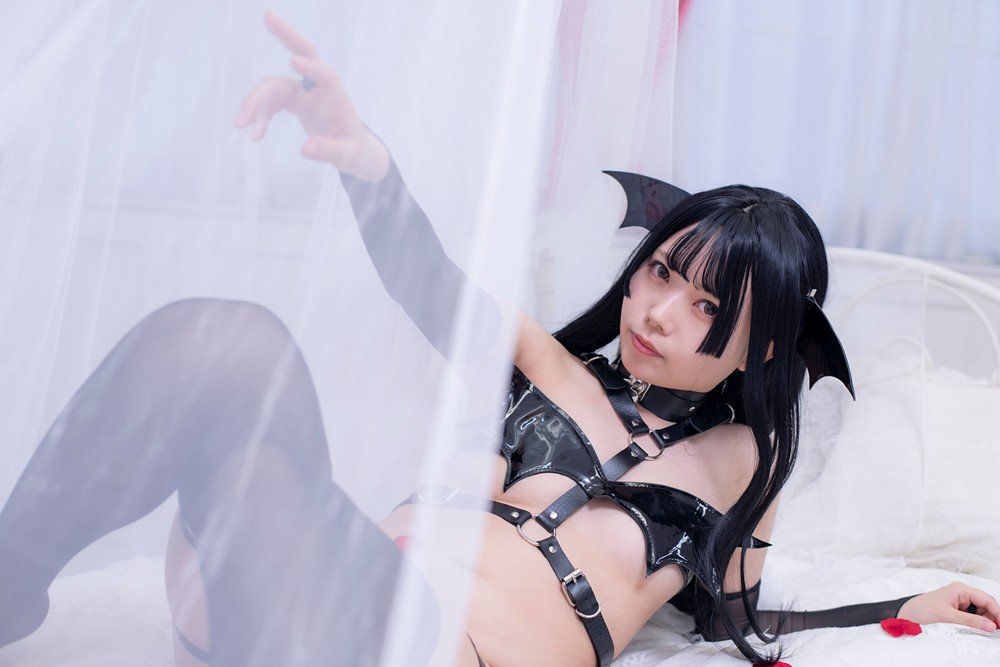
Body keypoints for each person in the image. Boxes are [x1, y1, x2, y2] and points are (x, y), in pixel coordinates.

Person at [1, 11, 998, 667]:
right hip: (300, 592)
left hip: (426, 646)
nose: (658, 311)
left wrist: (895, 606)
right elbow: (427, 280)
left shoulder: (740, 461)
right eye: (659, 271)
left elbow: (736, 619)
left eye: (706, 307)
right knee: (226, 339)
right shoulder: (549, 366)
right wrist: (363, 158)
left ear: (763, 349)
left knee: (250, 430)